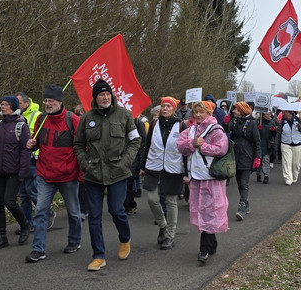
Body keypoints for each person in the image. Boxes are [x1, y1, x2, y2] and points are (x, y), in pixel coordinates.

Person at [73, 79, 140, 272]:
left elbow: (135, 141)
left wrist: (125, 161)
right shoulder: (87, 118)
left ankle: (125, 238)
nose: (105, 97)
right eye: (101, 94)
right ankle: (98, 256)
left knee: (116, 210)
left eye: (107, 94)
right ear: (95, 97)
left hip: (118, 172)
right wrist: (85, 164)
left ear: (112, 96)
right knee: (94, 216)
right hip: (93, 174)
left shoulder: (124, 115)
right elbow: (78, 144)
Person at [24, 84, 82, 263]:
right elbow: (37, 141)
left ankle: (74, 240)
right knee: (41, 211)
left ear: (60, 101)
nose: (47, 104)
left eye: (51, 101)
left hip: (68, 175)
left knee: (73, 212)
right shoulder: (41, 119)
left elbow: (81, 146)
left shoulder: (73, 120)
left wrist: (81, 172)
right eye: (46, 100)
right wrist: (33, 145)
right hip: (44, 174)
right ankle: (38, 249)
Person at [176, 102, 229, 265]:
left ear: (209, 112)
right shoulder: (190, 130)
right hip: (196, 177)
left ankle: (204, 249)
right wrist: (191, 143)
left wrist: (203, 146)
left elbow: (222, 148)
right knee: (202, 211)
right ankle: (210, 243)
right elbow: (180, 146)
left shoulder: (216, 129)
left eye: (201, 112)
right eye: (196, 112)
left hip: (211, 177)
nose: (198, 115)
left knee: (210, 211)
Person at [139, 97, 186, 250]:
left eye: (167, 106)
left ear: (173, 109)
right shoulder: (154, 124)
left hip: (173, 169)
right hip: (154, 166)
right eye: (162, 106)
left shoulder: (181, 126)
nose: (164, 109)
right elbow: (147, 145)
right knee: (152, 199)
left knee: (171, 202)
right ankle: (163, 225)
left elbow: (186, 151)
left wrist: (187, 172)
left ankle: (170, 236)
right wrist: (142, 165)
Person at [0, 96, 31, 250]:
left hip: (14, 171)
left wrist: (24, 171)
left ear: (12, 106)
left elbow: (26, 150)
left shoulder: (21, 125)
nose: (3, 106)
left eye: (6, 104)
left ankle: (25, 225)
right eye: (2, 104)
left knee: (9, 201)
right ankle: (2, 237)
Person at [16, 92, 50, 230]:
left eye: (18, 103)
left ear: (26, 103)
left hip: (33, 159)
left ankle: (47, 214)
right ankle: (28, 223)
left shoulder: (38, 115)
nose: (16, 106)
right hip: (21, 159)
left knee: (32, 190)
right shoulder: (17, 116)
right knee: (24, 193)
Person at [228, 102, 260, 221]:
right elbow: (226, 129)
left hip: (247, 157)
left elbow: (257, 142)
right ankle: (246, 203)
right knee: (239, 183)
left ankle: (241, 206)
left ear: (241, 111)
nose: (233, 111)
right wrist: (226, 122)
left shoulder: (251, 124)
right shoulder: (234, 121)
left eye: (235, 109)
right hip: (235, 157)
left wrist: (257, 158)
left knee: (243, 183)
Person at [278, 109, 301, 186]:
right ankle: (288, 178)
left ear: (289, 112)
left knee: (296, 163)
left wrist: (299, 126)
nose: (283, 114)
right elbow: (278, 134)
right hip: (286, 144)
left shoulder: (298, 120)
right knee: (286, 162)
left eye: (284, 112)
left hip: (298, 145)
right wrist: (276, 146)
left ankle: (294, 177)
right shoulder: (282, 122)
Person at [256, 110, 278, 184]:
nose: (268, 115)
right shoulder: (258, 122)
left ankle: (266, 176)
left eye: (269, 114)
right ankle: (258, 174)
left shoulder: (272, 123)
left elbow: (275, 135)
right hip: (258, 144)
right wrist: (257, 129)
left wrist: (273, 131)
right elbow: (254, 133)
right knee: (259, 160)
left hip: (267, 145)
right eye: (266, 114)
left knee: (265, 160)